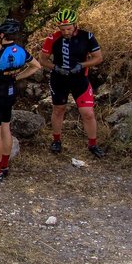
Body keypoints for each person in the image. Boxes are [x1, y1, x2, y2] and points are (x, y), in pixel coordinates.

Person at [0, 20, 42, 181]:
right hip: (10, 94)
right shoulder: (21, 52)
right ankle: (4, 166)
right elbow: (36, 66)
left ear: (2, 35)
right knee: (6, 129)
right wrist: (17, 76)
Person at [39, 9, 105, 157]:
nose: (66, 32)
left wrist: (82, 65)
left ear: (75, 25)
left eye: (69, 28)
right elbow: (43, 59)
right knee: (58, 109)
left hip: (80, 79)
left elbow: (98, 57)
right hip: (59, 79)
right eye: (62, 29)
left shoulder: (87, 36)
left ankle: (93, 144)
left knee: (87, 113)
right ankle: (56, 140)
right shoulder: (53, 38)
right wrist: (55, 67)